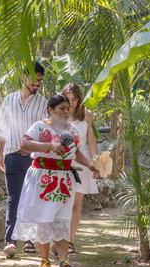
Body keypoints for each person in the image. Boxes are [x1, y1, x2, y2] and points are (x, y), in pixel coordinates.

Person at [12, 95, 97, 267]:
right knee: (44, 219)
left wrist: (89, 164)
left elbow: (76, 152)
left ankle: (64, 263)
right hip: (42, 179)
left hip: (65, 181)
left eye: (68, 108)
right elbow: (24, 143)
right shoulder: (40, 127)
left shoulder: (72, 130)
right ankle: (45, 262)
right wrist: (49, 145)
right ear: (50, 110)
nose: (67, 112)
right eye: (62, 109)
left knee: (62, 221)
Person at [0, 62, 48, 258]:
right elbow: (2, 129)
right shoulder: (8, 100)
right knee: (14, 198)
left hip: (33, 158)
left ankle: (28, 239)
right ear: (24, 77)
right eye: (35, 80)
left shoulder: (43, 103)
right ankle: (10, 241)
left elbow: (45, 131)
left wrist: (35, 148)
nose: (37, 84)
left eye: (40, 81)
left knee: (32, 198)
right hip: (12, 155)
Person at [58, 83, 99, 254]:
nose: (72, 102)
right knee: (61, 204)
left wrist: (96, 163)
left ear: (79, 99)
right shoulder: (60, 114)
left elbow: (91, 141)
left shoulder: (86, 115)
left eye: (74, 99)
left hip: (82, 163)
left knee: (76, 204)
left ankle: (70, 241)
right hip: (64, 161)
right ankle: (59, 239)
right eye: (68, 99)